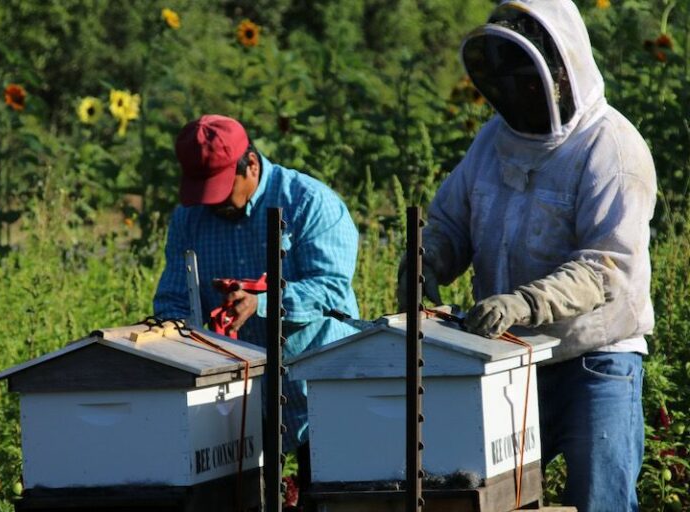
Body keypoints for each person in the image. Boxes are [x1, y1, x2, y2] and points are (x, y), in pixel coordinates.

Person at [399, 1, 656, 511]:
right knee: (498, 500)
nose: (520, 97)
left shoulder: (612, 150)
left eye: (530, 83)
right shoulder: (492, 141)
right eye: (511, 84)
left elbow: (606, 267)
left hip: (595, 361)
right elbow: (451, 220)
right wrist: (426, 261)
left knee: (599, 499)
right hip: (507, 359)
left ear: (564, 73)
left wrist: (524, 302)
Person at [154, 114, 360, 481]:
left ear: (250, 164)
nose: (212, 205)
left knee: (328, 496)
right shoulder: (189, 216)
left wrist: (260, 302)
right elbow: (173, 297)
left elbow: (330, 290)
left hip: (316, 385)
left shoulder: (309, 203)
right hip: (234, 400)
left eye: (219, 190)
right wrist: (174, 332)